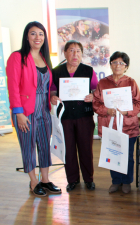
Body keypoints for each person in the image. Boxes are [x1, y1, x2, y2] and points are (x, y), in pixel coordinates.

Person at [6, 21, 61, 197]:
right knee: (28, 147)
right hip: (25, 111)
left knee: (45, 145)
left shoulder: (45, 58)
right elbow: (13, 87)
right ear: (26, 36)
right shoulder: (17, 57)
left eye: (41, 34)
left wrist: (52, 96)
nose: (38, 37)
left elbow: (49, 84)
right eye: (33, 33)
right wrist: (18, 113)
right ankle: (33, 182)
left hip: (44, 110)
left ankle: (45, 180)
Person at [50, 40, 98, 192]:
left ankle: (89, 179)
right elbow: (52, 90)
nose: (75, 54)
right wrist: (52, 97)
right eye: (71, 50)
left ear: (82, 54)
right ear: (65, 53)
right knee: (68, 149)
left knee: (85, 149)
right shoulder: (56, 71)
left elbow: (96, 90)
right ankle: (72, 180)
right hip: (64, 117)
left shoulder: (88, 71)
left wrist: (92, 96)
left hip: (84, 116)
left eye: (78, 51)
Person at [93, 51, 140, 194]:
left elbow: (139, 104)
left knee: (127, 156)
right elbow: (95, 104)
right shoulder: (102, 83)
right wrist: (106, 111)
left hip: (128, 127)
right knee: (113, 153)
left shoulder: (131, 82)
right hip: (109, 125)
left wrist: (127, 112)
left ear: (126, 67)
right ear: (110, 65)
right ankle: (116, 181)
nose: (118, 65)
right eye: (115, 62)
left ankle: (126, 182)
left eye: (121, 63)